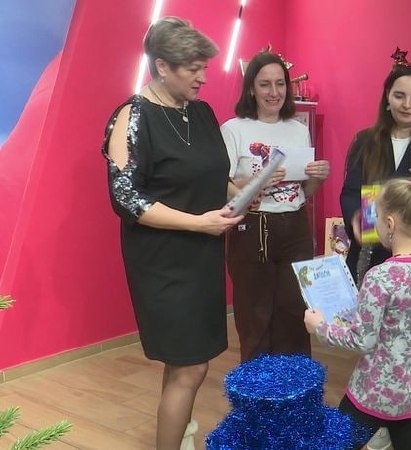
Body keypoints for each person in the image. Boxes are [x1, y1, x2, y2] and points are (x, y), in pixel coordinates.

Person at [101, 17, 242, 450]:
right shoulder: (132, 116)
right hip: (162, 261)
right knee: (191, 367)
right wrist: (199, 223)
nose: (203, 78)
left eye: (204, 67)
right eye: (193, 69)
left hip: (202, 256)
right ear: (162, 66)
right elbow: (127, 198)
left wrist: (242, 191)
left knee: (186, 362)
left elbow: (210, 174)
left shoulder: (201, 112)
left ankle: (179, 435)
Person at [304, 169, 411, 450]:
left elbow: (363, 340)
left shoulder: (380, 276)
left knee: (335, 443)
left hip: (376, 391)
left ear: (390, 223)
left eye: (377, 218)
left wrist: (319, 326)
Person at [221, 51, 330, 361]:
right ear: (251, 89)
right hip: (252, 227)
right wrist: (259, 180)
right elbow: (223, 188)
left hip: (295, 225)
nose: (274, 92)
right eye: (264, 84)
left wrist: (317, 178)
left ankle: (294, 388)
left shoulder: (298, 129)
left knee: (295, 312)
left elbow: (303, 192)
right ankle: (257, 389)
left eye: (280, 84)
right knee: (254, 316)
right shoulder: (233, 129)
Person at [340, 48, 411, 286]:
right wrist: (359, 220)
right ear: (387, 98)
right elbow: (351, 193)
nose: (407, 105)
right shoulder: (364, 141)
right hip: (369, 254)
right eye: (399, 96)